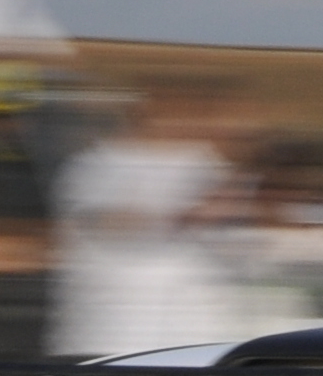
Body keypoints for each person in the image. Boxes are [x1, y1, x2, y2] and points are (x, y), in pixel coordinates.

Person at [51, 87, 244, 361]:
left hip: (196, 348)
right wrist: (184, 217)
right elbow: (108, 224)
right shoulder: (96, 165)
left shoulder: (208, 166)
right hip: (109, 345)